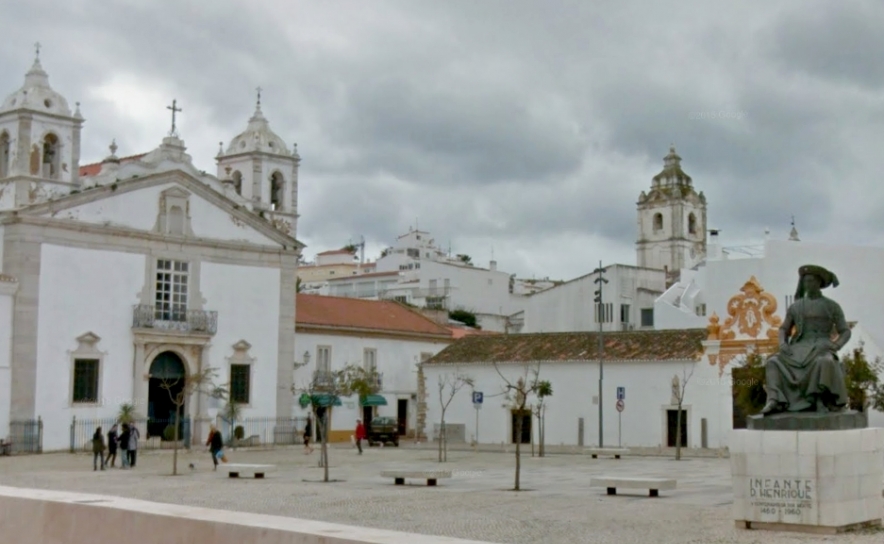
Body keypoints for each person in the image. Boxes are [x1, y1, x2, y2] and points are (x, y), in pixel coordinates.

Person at [760, 264, 851, 415]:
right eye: (805, 281)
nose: (808, 284)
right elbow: (784, 328)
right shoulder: (796, 307)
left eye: (811, 281)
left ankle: (819, 399)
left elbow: (845, 331)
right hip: (799, 347)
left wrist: (837, 345)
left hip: (822, 345)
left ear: (819, 283)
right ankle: (775, 399)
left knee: (824, 361)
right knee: (773, 361)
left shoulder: (832, 306)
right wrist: (782, 343)